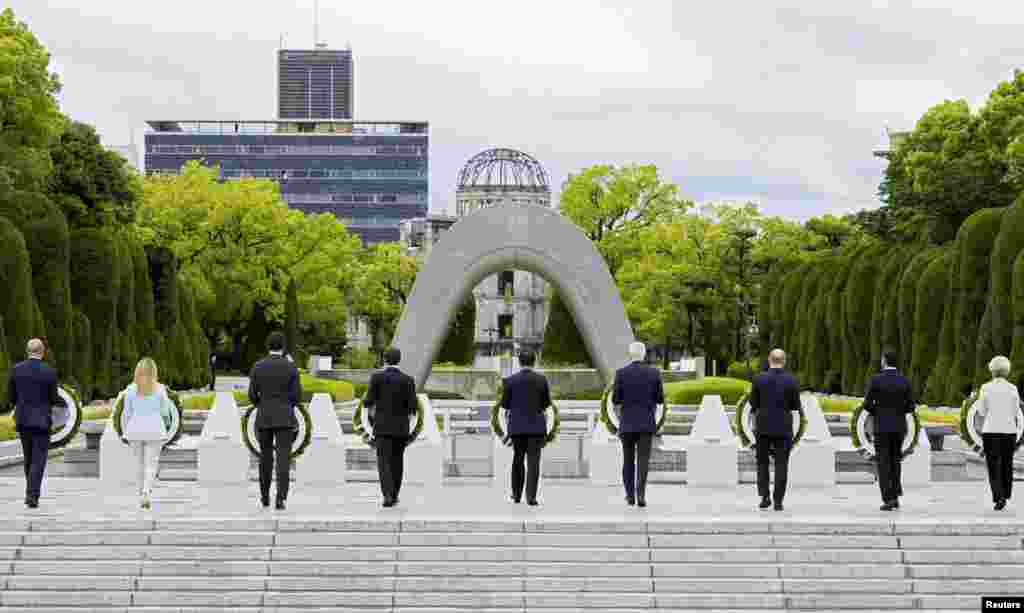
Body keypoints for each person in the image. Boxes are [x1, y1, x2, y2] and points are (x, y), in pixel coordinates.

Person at [5, 339, 63, 509]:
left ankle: (30, 492)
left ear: (27, 351)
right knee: (39, 460)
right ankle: (32, 495)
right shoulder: (49, 372)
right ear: (42, 351)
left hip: (23, 420)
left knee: (28, 458)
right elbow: (54, 399)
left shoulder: (16, 370)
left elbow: (11, 397)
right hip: (41, 421)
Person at [248, 332, 301, 510]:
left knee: (265, 457)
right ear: (283, 347)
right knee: (283, 458)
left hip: (264, 416)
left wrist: (262, 404)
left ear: (268, 346)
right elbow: (297, 396)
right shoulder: (291, 367)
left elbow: (252, 395)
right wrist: (287, 405)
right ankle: (281, 498)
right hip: (285, 417)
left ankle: (264, 496)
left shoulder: (258, 366)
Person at [611, 341, 665, 508]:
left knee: (628, 460)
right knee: (643, 460)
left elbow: (615, 399)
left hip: (627, 423)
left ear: (630, 354)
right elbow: (660, 399)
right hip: (646, 424)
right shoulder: (654, 373)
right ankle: (641, 495)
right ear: (644, 355)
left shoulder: (621, 373)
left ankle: (629, 496)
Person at [363, 347, 418, 508]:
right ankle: (394, 494)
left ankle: (387, 495)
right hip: (401, 428)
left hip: (382, 426)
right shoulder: (408, 380)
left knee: (383, 462)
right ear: (399, 360)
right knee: (397, 461)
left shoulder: (377, 377)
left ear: (385, 360)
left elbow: (368, 401)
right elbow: (413, 407)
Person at [120, 358, 176, 509]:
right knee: (151, 464)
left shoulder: (131, 389)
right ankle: (146, 492)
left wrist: (125, 431)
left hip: (135, 429)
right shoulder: (160, 389)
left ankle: (140, 494)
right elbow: (165, 412)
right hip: (155, 429)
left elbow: (126, 413)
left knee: (138, 464)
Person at [749, 349, 801, 511]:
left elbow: (753, 403)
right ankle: (778, 501)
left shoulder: (759, 379)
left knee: (762, 463)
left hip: (763, 427)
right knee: (781, 464)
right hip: (783, 427)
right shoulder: (791, 380)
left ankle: (764, 497)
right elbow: (795, 406)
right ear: (783, 361)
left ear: (769, 360)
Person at [863, 349, 915, 511]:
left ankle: (888, 498)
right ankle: (895, 495)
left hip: (882, 427)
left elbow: (867, 404)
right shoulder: (904, 380)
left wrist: (877, 410)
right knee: (895, 461)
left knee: (884, 463)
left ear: (884, 361)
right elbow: (910, 407)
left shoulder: (876, 380)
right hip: (899, 427)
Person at [498, 350, 551, 506]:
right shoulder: (541, 380)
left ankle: (516, 494)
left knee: (517, 459)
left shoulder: (509, 381)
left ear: (519, 362)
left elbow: (505, 404)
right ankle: (531, 497)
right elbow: (546, 404)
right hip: (536, 427)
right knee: (534, 462)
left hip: (517, 427)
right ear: (534, 362)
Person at [977, 355, 1021, 511]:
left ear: (992, 370)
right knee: (1007, 463)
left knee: (993, 464)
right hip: (1009, 431)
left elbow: (981, 412)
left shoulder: (985, 387)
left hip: (991, 431)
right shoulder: (1013, 388)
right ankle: (1007, 493)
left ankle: (998, 496)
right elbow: (1016, 412)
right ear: (1007, 370)